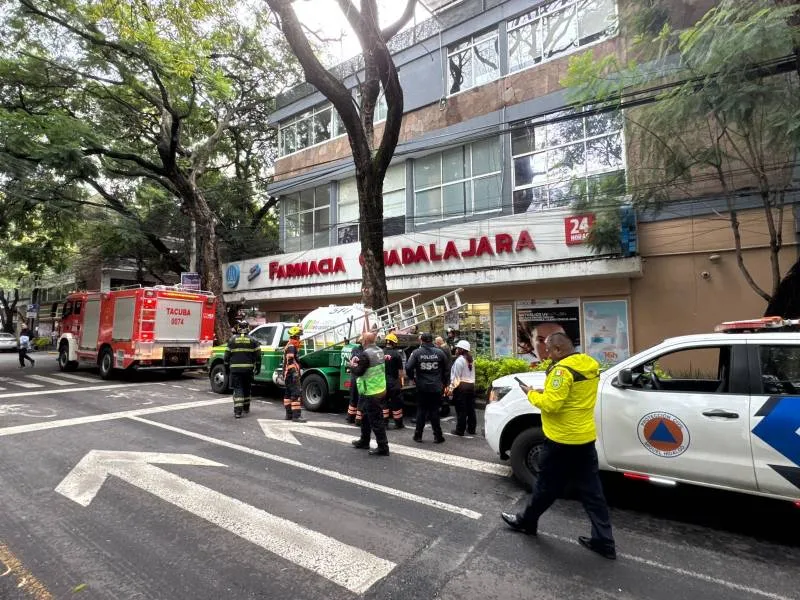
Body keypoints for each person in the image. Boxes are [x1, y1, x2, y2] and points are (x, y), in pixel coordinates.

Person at [501, 332, 616, 560]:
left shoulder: (562, 371)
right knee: (593, 493)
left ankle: (526, 522)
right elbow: (571, 395)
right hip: (584, 439)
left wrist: (532, 394)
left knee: (545, 487)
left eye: (549, 351)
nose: (547, 355)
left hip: (561, 441)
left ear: (558, 350)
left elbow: (552, 404)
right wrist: (548, 391)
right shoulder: (589, 365)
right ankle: (604, 541)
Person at [350, 331, 390, 456]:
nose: (361, 341)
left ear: (365, 341)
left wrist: (352, 365)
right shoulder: (379, 351)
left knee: (376, 420)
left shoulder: (366, 354)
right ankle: (364, 440)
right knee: (365, 416)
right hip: (378, 388)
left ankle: (383, 447)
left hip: (370, 391)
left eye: (362, 339)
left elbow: (359, 371)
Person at [405, 332, 448, 444]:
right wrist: (443, 382)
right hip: (436, 386)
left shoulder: (416, 353)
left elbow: (408, 367)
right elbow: (446, 369)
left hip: (422, 387)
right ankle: (438, 436)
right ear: (432, 340)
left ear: (421, 341)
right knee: (434, 411)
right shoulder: (440, 352)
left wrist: (413, 378)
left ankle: (418, 435)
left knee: (421, 411)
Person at [223, 321, 260, 418]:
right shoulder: (253, 340)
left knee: (238, 388)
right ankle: (246, 408)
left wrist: (226, 367)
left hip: (235, 370)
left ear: (238, 328)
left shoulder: (232, 340)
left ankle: (237, 412)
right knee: (247, 388)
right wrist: (258, 367)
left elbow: (226, 356)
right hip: (248, 370)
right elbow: (258, 356)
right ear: (248, 328)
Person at [449, 340, 476, 436]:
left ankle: (460, 430)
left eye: (457, 348)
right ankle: (471, 429)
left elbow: (456, 378)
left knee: (461, 410)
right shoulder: (470, 359)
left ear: (461, 350)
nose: (456, 350)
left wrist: (451, 389)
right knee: (470, 409)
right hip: (471, 386)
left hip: (461, 387)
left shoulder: (459, 360)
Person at [282, 326, 306, 422]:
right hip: (292, 374)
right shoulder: (291, 346)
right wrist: (295, 374)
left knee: (288, 394)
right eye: (298, 337)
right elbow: (290, 361)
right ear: (295, 336)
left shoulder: (289, 345)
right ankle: (296, 416)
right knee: (295, 394)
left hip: (287, 374)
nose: (299, 339)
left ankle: (289, 415)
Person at [382, 332, 406, 429]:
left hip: (382, 382)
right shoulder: (396, 354)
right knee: (396, 402)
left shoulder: (380, 353)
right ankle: (398, 424)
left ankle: (384, 424)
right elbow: (400, 371)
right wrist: (401, 382)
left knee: (384, 402)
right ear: (394, 343)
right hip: (393, 382)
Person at [345, 338, 365, 426]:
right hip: (360, 377)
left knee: (353, 397)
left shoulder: (355, 349)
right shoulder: (366, 351)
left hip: (354, 376)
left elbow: (352, 362)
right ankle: (359, 420)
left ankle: (350, 418)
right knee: (361, 398)